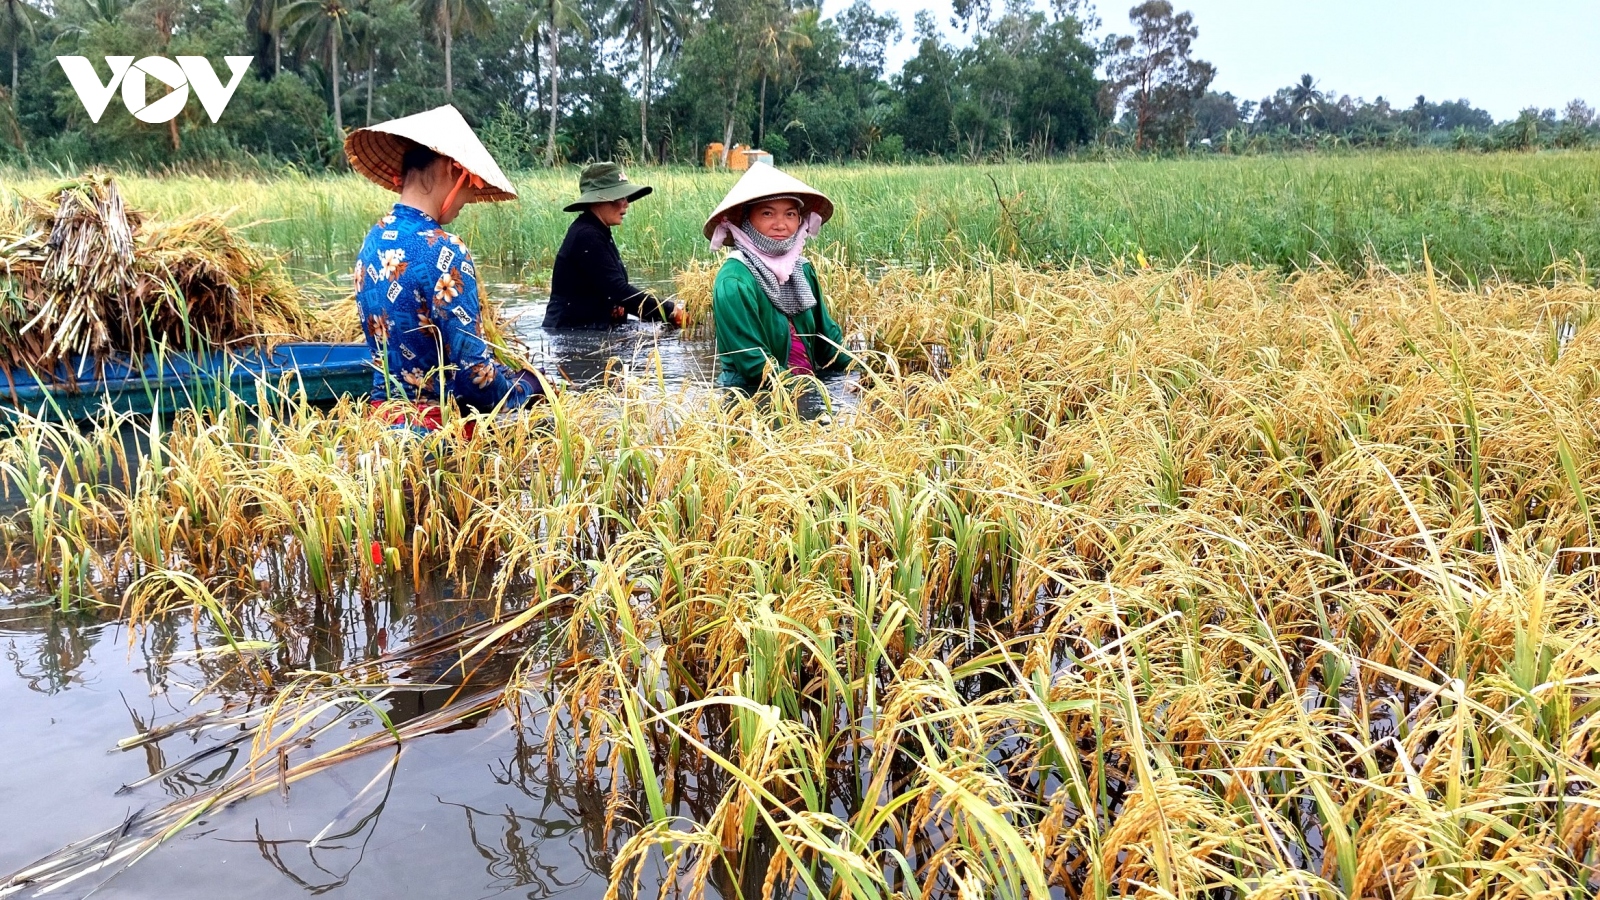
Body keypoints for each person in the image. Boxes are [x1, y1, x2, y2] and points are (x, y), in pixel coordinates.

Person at [345, 105, 544, 426]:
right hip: (436, 437)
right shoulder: (444, 250)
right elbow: (475, 379)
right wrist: (526, 387)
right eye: (471, 185)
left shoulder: (373, 240)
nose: (467, 200)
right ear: (453, 170)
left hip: (383, 430)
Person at [706, 164, 851, 393]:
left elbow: (827, 342)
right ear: (746, 219)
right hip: (753, 396)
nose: (781, 225)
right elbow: (754, 364)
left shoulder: (802, 270)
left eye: (790, 214)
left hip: (803, 387)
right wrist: (809, 391)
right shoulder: (734, 281)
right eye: (767, 213)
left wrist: (863, 369)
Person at [543, 162, 687, 330]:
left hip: (589, 327)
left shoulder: (598, 231)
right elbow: (618, 290)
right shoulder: (586, 235)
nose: (626, 203)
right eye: (620, 198)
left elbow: (609, 289)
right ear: (598, 201)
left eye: (626, 198)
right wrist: (670, 311)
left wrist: (613, 305)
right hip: (569, 332)